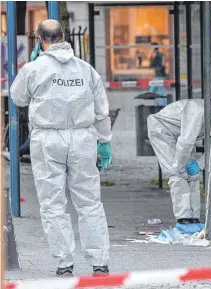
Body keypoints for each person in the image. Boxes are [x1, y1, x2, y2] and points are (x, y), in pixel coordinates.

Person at [10, 19, 113, 277]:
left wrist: (31, 64)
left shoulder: (34, 69)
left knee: (53, 203)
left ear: (39, 39)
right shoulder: (86, 69)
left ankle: (65, 263)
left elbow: (18, 97)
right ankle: (99, 262)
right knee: (89, 202)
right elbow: (101, 109)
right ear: (64, 35)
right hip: (83, 139)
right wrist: (105, 142)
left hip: (47, 140)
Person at [147, 93, 211, 235]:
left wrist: (200, 164)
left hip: (180, 136)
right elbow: (186, 142)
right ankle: (183, 219)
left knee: (193, 175)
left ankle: (194, 218)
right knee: (177, 175)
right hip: (161, 130)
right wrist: (178, 166)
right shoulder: (198, 110)